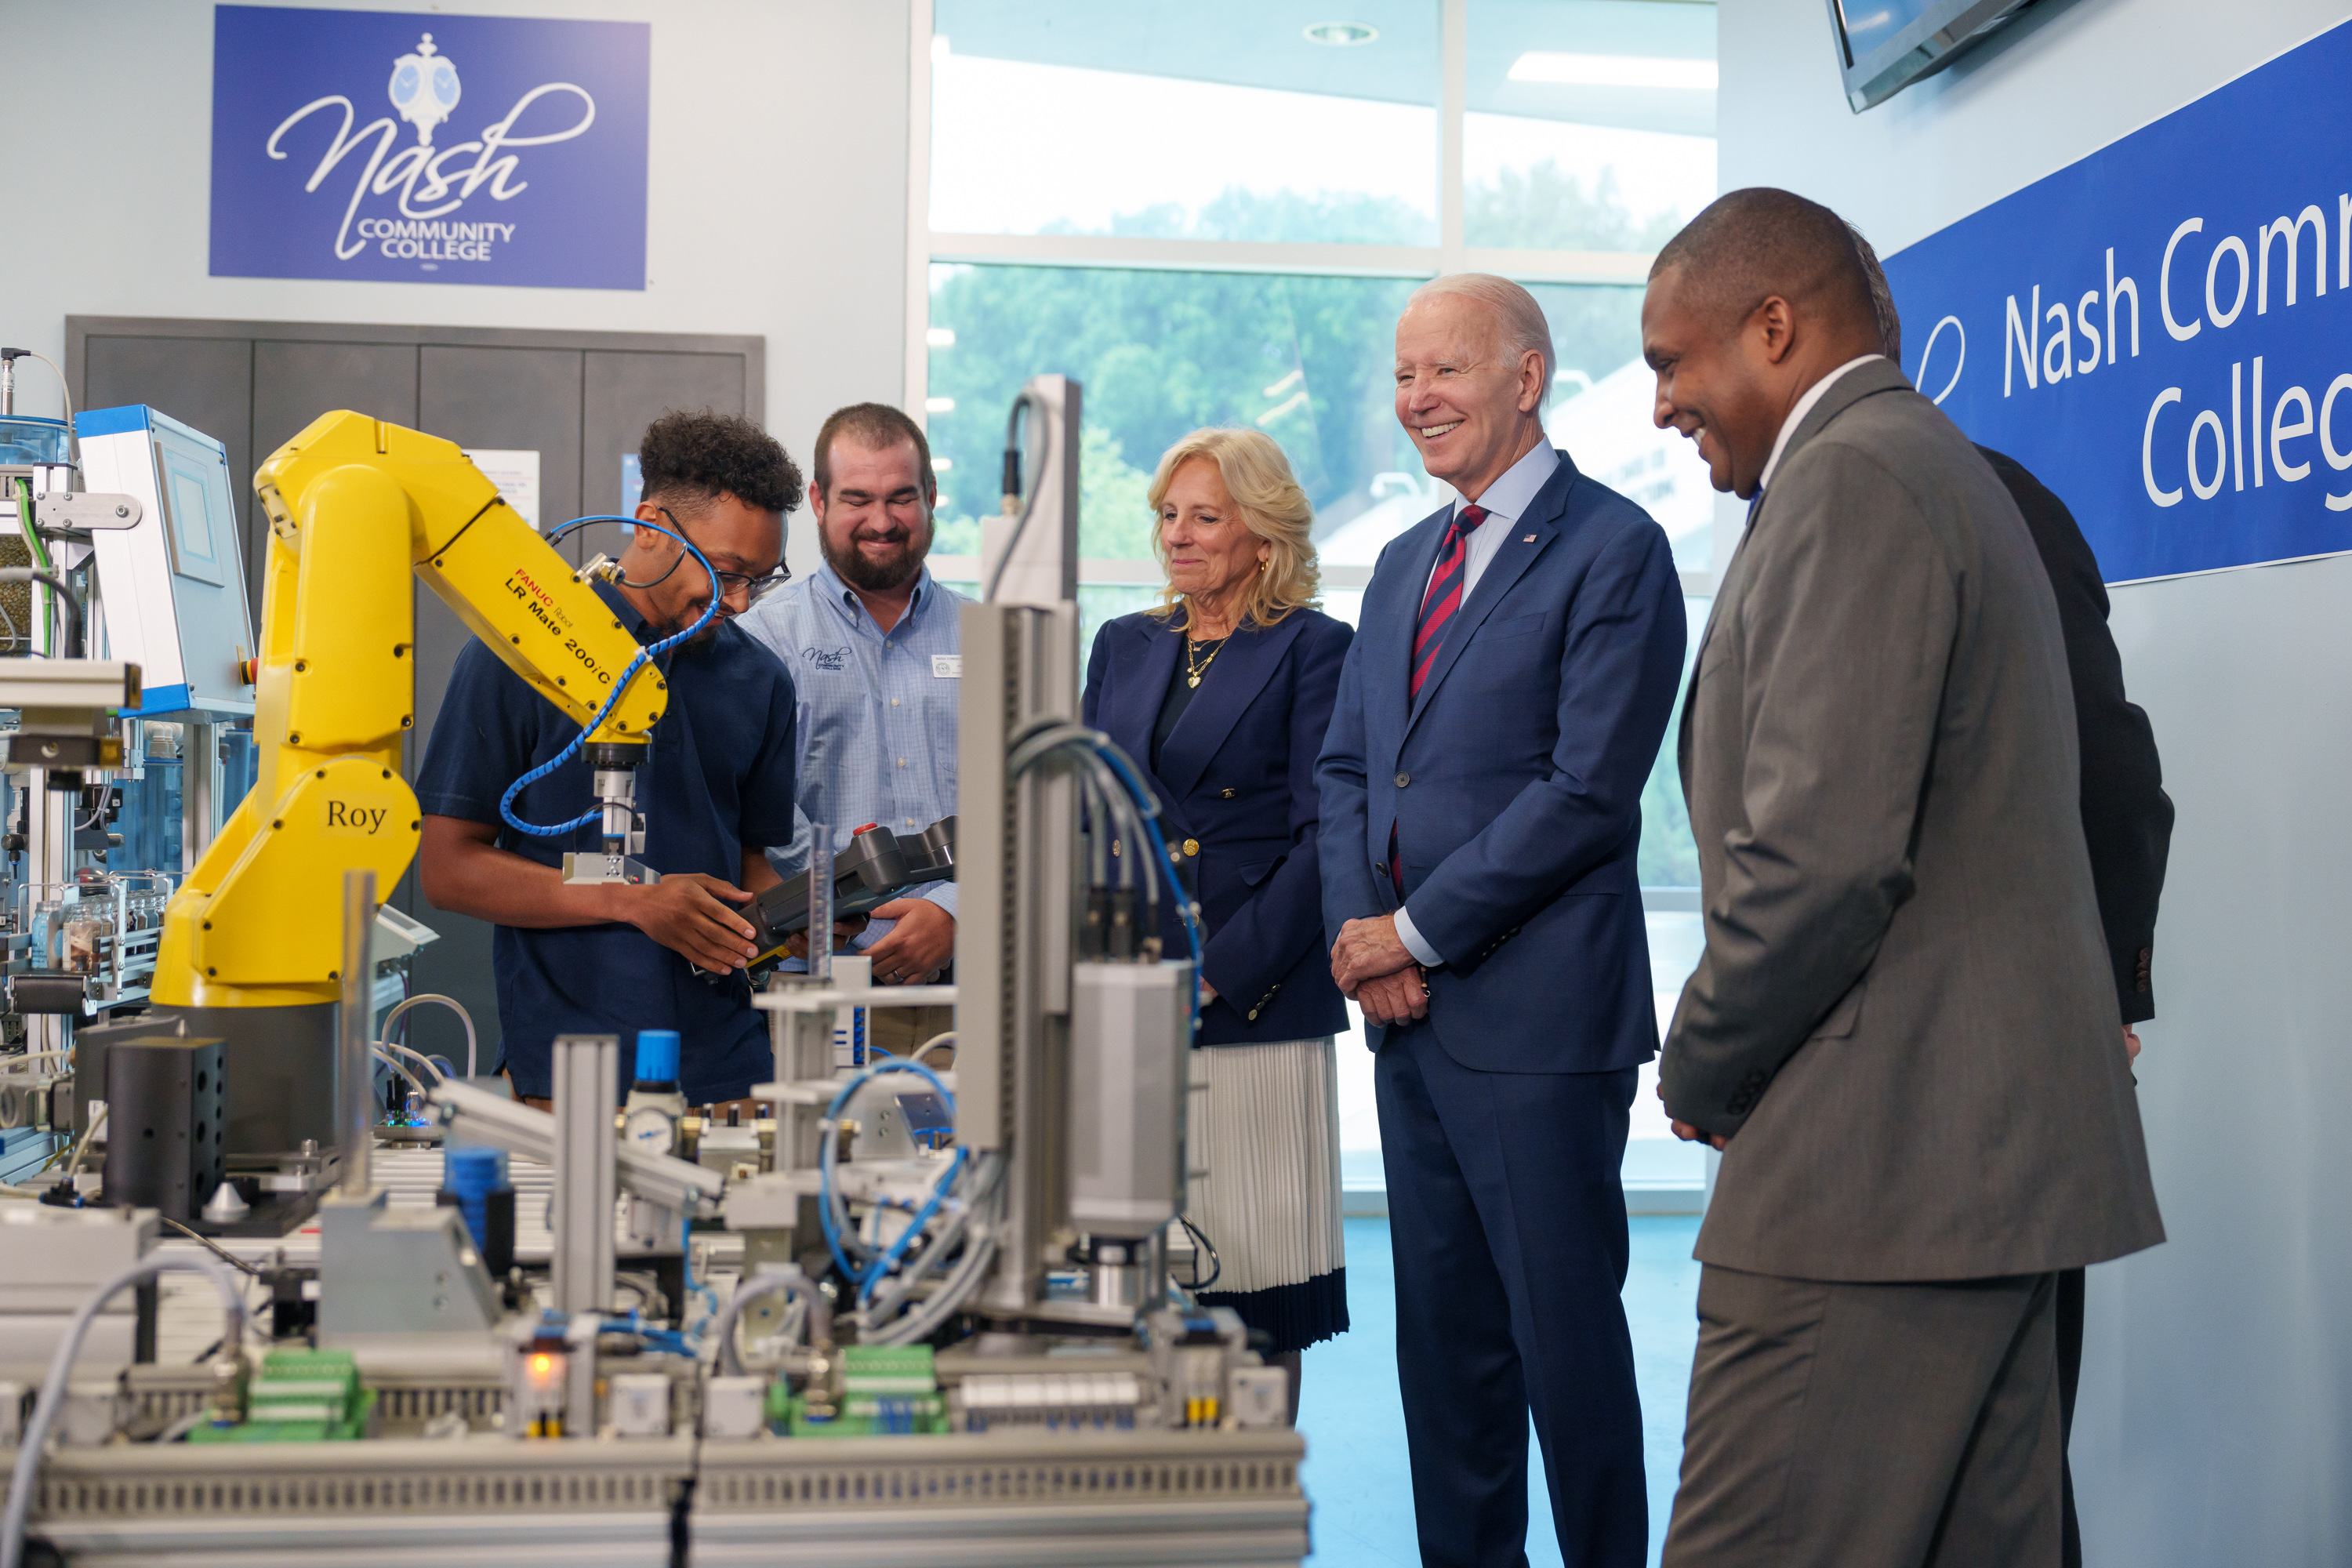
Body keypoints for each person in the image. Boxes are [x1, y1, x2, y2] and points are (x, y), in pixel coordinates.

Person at [1645, 187, 2165, 1566]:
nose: (1661, 403)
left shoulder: (1857, 479)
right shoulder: (1926, 463)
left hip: (1874, 1179)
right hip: (1969, 1178)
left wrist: (1700, 1068)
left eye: (1671, 361)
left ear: (1773, 326)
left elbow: (1818, 861)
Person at [1318, 274, 1686, 1567]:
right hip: (1411, 1031)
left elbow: (1587, 792)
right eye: (1404, 374)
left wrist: (1414, 932)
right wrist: (1365, 938)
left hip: (1539, 1030)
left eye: (1447, 370)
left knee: (1567, 1362)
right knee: (1446, 1368)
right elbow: (1350, 771)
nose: (1418, 398)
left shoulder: (1616, 550)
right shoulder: (1403, 564)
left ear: (1527, 379)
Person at [1849, 228, 2175, 1568]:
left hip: (1989, 1087)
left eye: (1679, 360)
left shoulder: (1987, 501)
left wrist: (2101, 990)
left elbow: (2112, 769)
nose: (1663, 406)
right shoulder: (1806, 510)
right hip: (1867, 1102)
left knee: (2006, 1479)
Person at [1081, 427, 1355, 1420]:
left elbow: (1326, 839)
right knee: (1138, 1284)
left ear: (1264, 534)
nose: (1178, 535)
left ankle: (1254, 1483)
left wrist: (1214, 969)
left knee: (1256, 1287)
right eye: (1169, 515)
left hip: (1252, 999)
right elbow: (1088, 812)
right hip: (1127, 995)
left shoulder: (1316, 649)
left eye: (1205, 516)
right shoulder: (1124, 644)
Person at [416, 411, 802, 1107]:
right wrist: (633, 900)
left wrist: (805, 912)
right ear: (650, 524)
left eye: (761, 579)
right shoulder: (519, 656)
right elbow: (447, 870)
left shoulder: (760, 681)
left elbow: (747, 865)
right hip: (568, 1073)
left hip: (726, 1070)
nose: (740, 603)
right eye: (724, 573)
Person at [739, 403, 965, 1059]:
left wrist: (954, 910)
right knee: (821, 1131)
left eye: (902, 498)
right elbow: (755, 809)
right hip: (820, 985)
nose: (882, 521)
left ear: (931, 496)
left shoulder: (988, 638)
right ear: (818, 500)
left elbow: (1025, 807)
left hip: (972, 989)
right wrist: (840, 906)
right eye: (857, 499)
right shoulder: (762, 639)